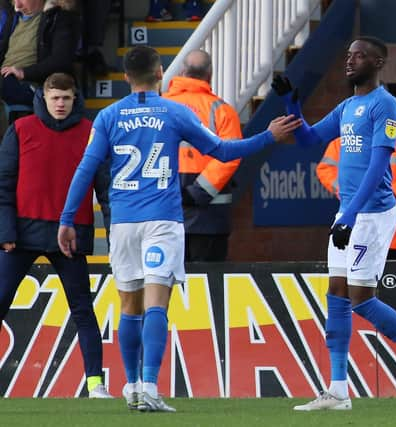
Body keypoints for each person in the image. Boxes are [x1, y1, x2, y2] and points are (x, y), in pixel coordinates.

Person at [57, 46, 300, 412]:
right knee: (157, 303)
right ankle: (151, 386)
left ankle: (133, 386)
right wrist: (267, 136)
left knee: (129, 306)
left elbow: (85, 169)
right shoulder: (174, 112)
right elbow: (221, 151)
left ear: (125, 77)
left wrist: (66, 219)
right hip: (163, 219)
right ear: (160, 75)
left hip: (122, 222)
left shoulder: (108, 117)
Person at [272, 36, 396, 410]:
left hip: (371, 214)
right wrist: (291, 101)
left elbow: (377, 166)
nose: (350, 61)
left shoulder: (385, 105)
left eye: (360, 56)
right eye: (349, 55)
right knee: (337, 294)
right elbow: (308, 140)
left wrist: (351, 216)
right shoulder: (348, 106)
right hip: (351, 213)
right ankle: (338, 389)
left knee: (360, 299)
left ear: (379, 63)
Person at [0, 72, 111, 398]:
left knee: (83, 310)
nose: (60, 104)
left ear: (74, 98)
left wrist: (116, 228)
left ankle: (95, 384)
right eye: (55, 98)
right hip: (20, 234)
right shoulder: (20, 130)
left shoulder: (91, 132)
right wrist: (5, 232)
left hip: (69, 236)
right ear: (44, 98)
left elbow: (104, 186)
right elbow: (3, 185)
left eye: (66, 98)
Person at [316, 117, 396, 259]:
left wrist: (395, 195)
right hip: (359, 229)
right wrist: (351, 193)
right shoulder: (351, 128)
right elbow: (326, 168)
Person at [163, 49, 242, 262]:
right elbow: (231, 156)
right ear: (210, 75)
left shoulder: (161, 107)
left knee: (165, 288)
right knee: (208, 290)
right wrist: (198, 192)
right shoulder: (222, 110)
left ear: (181, 72)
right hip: (209, 219)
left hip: (164, 217)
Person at [0, 0, 80, 107]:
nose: (17, 6)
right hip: (5, 79)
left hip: (34, 85)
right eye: (15, 0)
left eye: (22, 0)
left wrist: (24, 72)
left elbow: (61, 60)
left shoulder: (58, 18)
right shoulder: (13, 18)